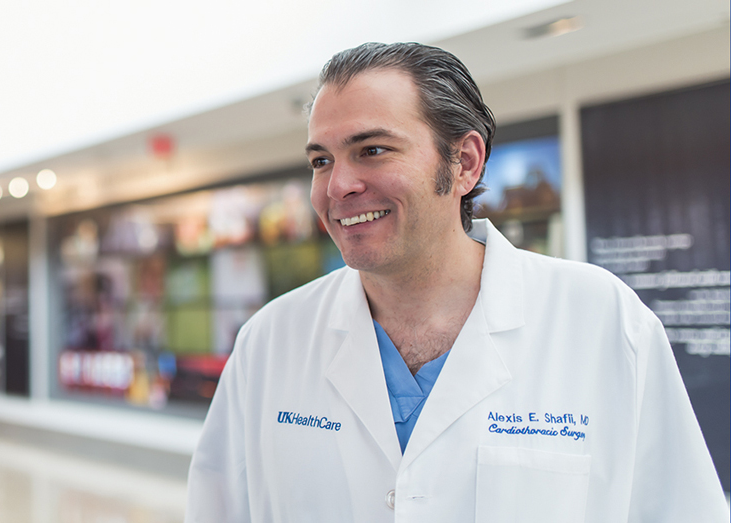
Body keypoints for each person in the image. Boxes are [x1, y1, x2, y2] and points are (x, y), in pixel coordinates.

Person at [185, 42, 727, 521]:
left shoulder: (604, 321)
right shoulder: (271, 342)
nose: (338, 185)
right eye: (321, 160)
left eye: (372, 150)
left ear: (464, 163)